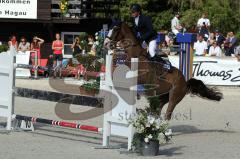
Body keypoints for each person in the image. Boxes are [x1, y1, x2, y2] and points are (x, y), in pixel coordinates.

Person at [130, 3, 171, 71]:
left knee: (151, 52)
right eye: (131, 12)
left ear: (138, 12)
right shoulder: (134, 20)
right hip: (144, 40)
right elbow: (135, 30)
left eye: (133, 12)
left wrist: (142, 38)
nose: (132, 13)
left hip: (151, 38)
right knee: (138, 51)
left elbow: (151, 31)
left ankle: (165, 64)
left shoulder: (146, 18)